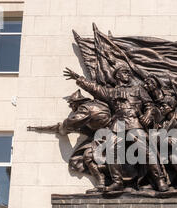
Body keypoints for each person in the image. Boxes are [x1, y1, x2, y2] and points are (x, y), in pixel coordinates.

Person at [64, 64, 169, 192]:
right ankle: (117, 182)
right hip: (117, 125)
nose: (128, 74)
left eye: (129, 72)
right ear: (118, 75)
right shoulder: (111, 92)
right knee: (110, 150)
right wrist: (78, 78)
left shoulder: (138, 89)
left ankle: (160, 180)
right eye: (125, 72)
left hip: (134, 123)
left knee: (146, 151)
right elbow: (94, 88)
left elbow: (150, 105)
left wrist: (148, 115)